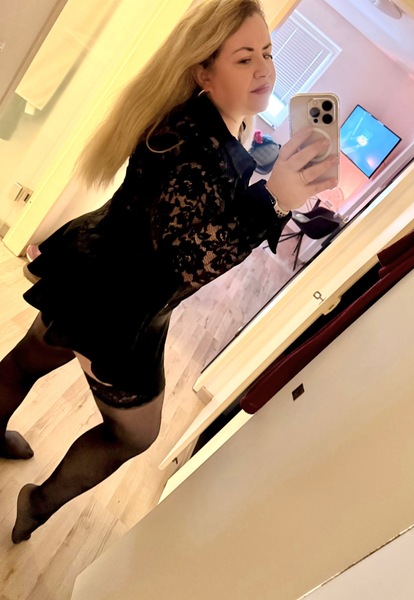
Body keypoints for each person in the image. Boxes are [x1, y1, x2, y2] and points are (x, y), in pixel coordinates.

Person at [0, 0, 338, 544]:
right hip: (120, 300)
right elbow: (190, 261)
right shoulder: (190, 141)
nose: (264, 69)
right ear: (204, 72)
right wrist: (274, 200)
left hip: (96, 266)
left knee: (26, 362)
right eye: (245, 58)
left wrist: (275, 186)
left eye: (268, 53)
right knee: (134, 433)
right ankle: (37, 504)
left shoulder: (212, 120)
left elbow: (197, 216)